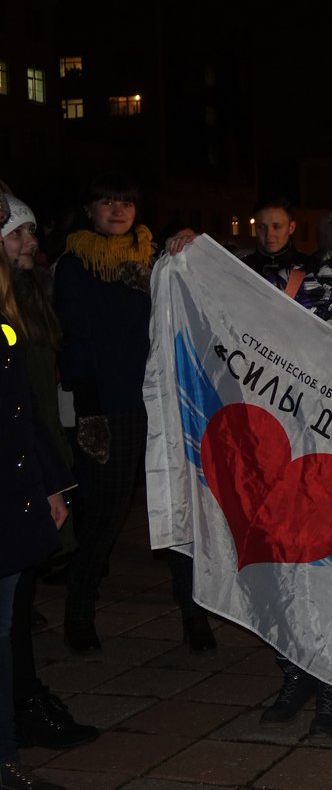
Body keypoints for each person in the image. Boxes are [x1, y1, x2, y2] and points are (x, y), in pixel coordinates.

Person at [170, 192, 332, 735]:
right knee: (282, 569)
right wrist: (194, 251)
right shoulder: (293, 282)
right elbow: (225, 299)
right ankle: (294, 671)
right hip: (285, 451)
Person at [52, 173, 215, 656]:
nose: (118, 210)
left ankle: (194, 616)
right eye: (107, 202)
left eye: (125, 202)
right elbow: (74, 339)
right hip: (112, 406)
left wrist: (193, 246)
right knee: (105, 514)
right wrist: (90, 409)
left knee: (179, 510)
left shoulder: (156, 258)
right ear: (89, 210)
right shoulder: (76, 264)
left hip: (165, 402)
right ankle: (79, 614)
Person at [1, 195, 99, 750]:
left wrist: (52, 477)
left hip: (31, 461)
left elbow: (31, 396)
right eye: (16, 233)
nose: (30, 242)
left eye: (32, 231)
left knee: (18, 598)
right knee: (12, 605)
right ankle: (21, 704)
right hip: (18, 469)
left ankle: (22, 699)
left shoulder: (26, 297)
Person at [2, 218, 73, 790]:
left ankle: (5, 757)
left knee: (3, 630)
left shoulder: (7, 315)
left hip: (13, 493)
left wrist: (48, 483)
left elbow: (20, 405)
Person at [240, 198, 316, 281]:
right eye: (261, 227)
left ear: (291, 228)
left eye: (277, 227)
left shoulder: (313, 269)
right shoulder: (242, 269)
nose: (269, 235)